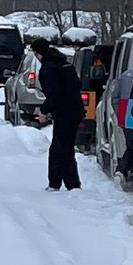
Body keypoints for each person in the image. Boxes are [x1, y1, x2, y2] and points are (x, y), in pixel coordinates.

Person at [38, 38, 82, 189]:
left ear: (38, 53)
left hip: (64, 112)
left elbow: (53, 93)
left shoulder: (49, 68)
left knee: (63, 148)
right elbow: (77, 85)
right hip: (74, 110)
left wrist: (44, 111)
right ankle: (55, 183)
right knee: (58, 147)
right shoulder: (65, 64)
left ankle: (72, 185)